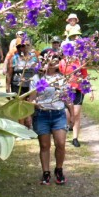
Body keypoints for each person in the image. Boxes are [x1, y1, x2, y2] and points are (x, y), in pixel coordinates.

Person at [28, 54, 69, 185]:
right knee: (45, 145)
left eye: (57, 59)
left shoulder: (61, 78)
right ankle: (46, 173)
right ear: (45, 61)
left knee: (61, 143)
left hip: (58, 114)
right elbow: (31, 99)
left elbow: (67, 98)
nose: (54, 61)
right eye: (51, 59)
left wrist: (71, 114)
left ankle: (59, 169)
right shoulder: (36, 78)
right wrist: (33, 108)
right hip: (41, 115)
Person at [60, 30, 92, 148]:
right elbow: (60, 76)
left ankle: (75, 138)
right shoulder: (63, 62)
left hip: (78, 89)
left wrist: (90, 90)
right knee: (67, 115)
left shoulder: (80, 62)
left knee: (77, 114)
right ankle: (65, 130)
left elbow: (85, 76)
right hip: (67, 90)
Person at [10, 42, 38, 128]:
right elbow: (10, 72)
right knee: (20, 105)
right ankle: (21, 127)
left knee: (31, 104)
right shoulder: (14, 57)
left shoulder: (33, 57)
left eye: (23, 46)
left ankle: (30, 125)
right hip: (18, 83)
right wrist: (7, 86)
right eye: (19, 46)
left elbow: (38, 69)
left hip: (31, 83)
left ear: (28, 46)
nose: (21, 48)